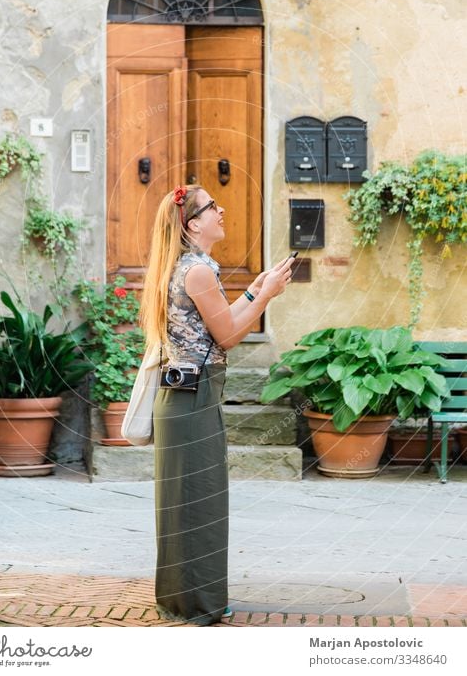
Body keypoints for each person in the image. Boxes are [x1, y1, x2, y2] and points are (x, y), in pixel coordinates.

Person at [139, 184, 294, 625]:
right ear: (193, 223)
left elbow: (218, 326)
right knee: (197, 502)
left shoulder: (191, 266)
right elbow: (227, 337)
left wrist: (256, 289)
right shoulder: (198, 271)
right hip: (192, 399)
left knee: (187, 502)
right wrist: (266, 296)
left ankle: (186, 599)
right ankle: (197, 605)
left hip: (187, 398)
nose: (221, 209)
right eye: (212, 207)